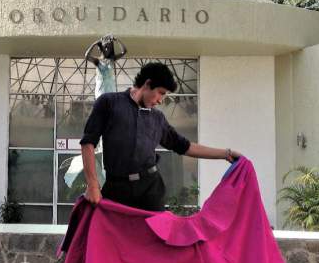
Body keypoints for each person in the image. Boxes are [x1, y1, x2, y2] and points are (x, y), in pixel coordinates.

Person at [80, 61, 241, 211]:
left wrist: (225, 154)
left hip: (151, 189)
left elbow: (184, 146)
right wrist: (93, 184)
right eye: (160, 93)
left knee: (153, 240)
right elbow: (88, 143)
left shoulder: (158, 119)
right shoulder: (109, 103)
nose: (160, 101)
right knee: (112, 240)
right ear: (147, 84)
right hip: (116, 189)